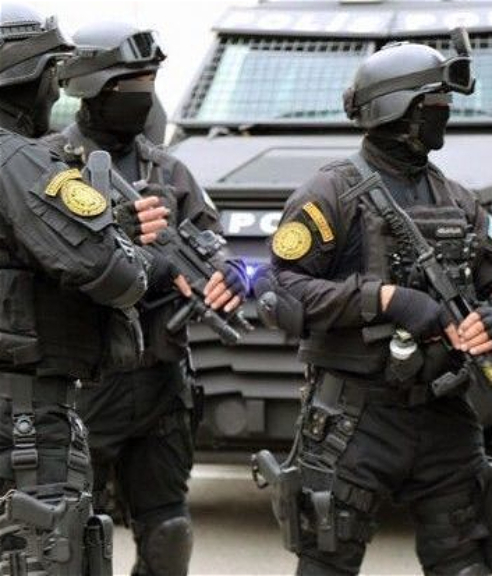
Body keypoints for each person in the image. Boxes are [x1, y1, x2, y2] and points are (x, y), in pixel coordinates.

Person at [267, 38, 492, 575]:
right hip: (353, 420)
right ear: (400, 108)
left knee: (470, 562)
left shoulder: (458, 200)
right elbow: (283, 294)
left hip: (445, 414)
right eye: (436, 102)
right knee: (326, 563)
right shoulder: (331, 193)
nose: (446, 112)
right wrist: (384, 299)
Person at [47, 22, 245, 576]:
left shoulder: (168, 168)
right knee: (68, 535)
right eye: (130, 84)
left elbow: (210, 239)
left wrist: (230, 274)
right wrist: (131, 250)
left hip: (161, 379)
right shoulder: (48, 164)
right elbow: (48, 263)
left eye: (149, 82)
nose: (143, 95)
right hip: (84, 383)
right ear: (90, 87)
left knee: (169, 533)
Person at [0, 4, 183, 574]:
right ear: (28, 77)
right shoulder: (20, 160)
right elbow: (116, 275)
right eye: (52, 73)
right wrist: (147, 254)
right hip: (25, 416)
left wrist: (113, 224)